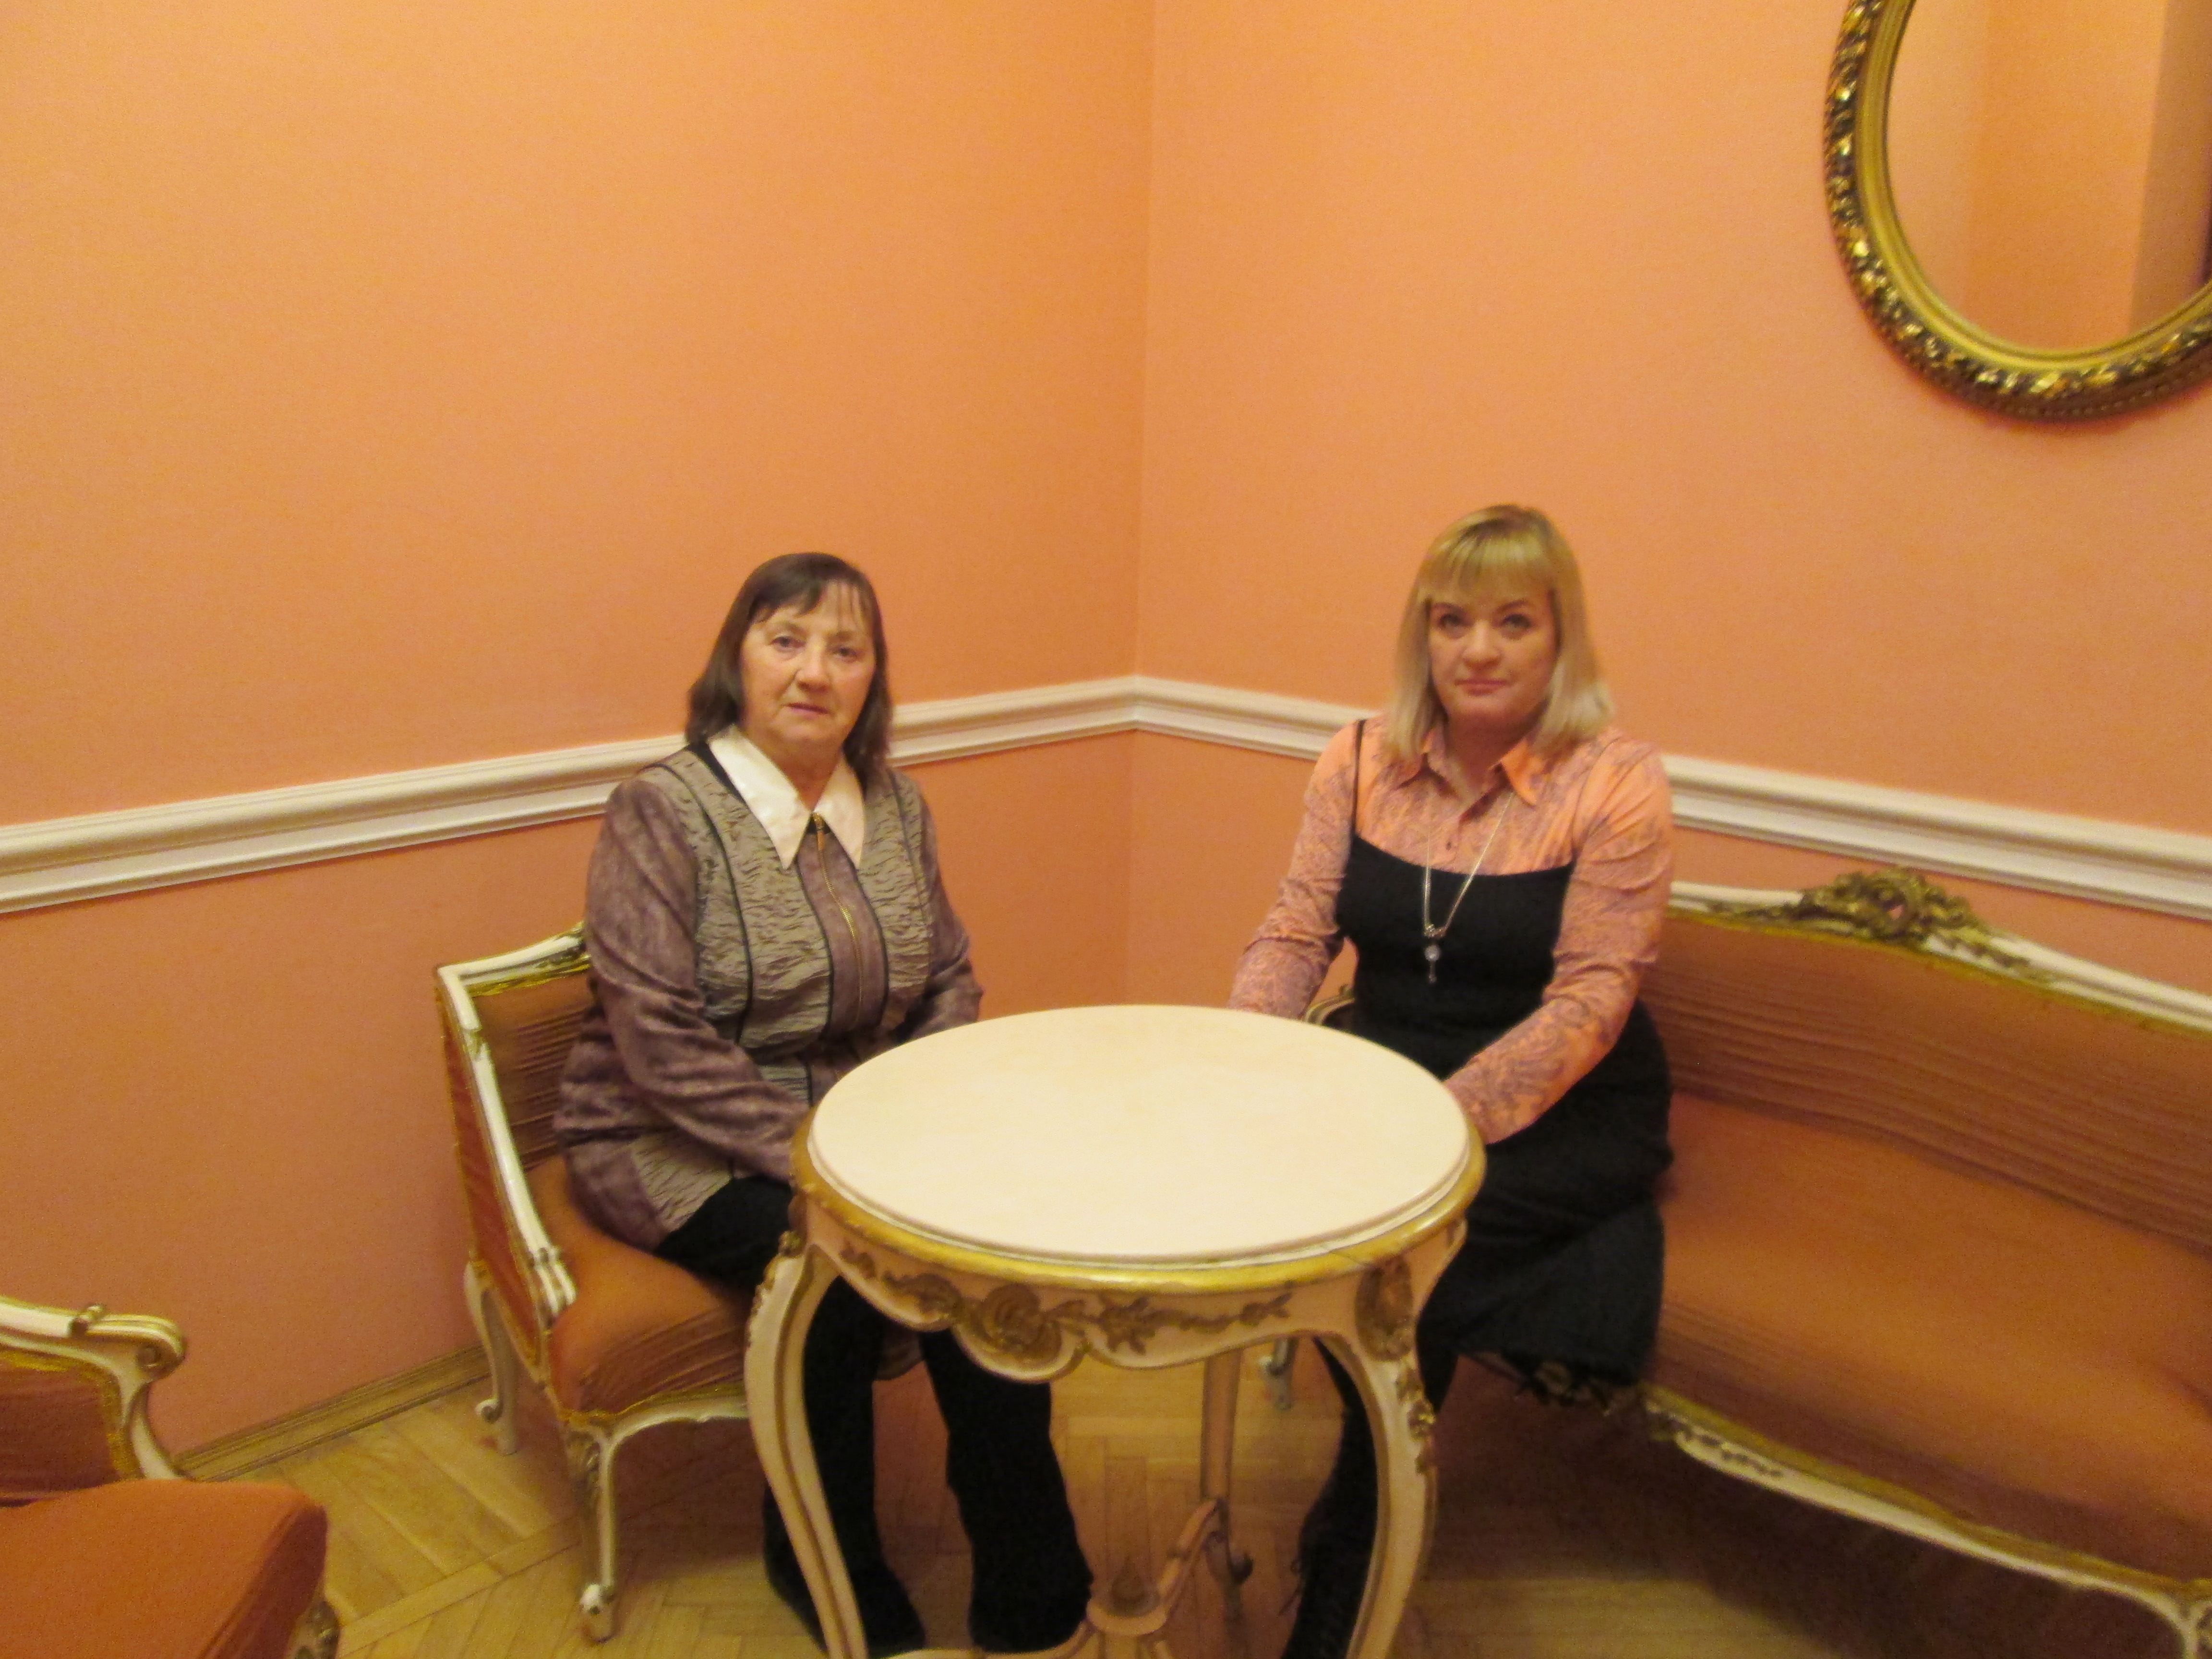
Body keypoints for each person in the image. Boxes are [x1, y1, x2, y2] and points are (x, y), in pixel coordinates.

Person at [554, 553, 1093, 1659]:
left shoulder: (895, 804)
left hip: (866, 1128)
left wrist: (923, 1112)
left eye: (846, 650)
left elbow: (946, 976)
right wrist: (821, 1153)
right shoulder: (661, 811)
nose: (815, 672)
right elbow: (656, 1040)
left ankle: (1034, 1593)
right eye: (787, 640)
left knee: (990, 1262)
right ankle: (820, 1562)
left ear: (871, 679)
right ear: (737, 660)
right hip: (664, 1136)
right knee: (835, 1280)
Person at [1228, 506, 1673, 1659]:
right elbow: (1297, 929)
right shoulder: (1357, 756)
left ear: (1560, 638)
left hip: (1560, 1100)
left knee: (1409, 1256)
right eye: (1452, 621)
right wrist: (1239, 1055)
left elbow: (1592, 1000)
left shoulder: (1616, 781)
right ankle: (1367, 1509)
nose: (1478, 649)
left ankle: (1347, 1556)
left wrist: (1437, 1126)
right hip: (1386, 1065)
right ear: (1420, 636)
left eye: (1513, 622)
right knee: (1295, 1204)